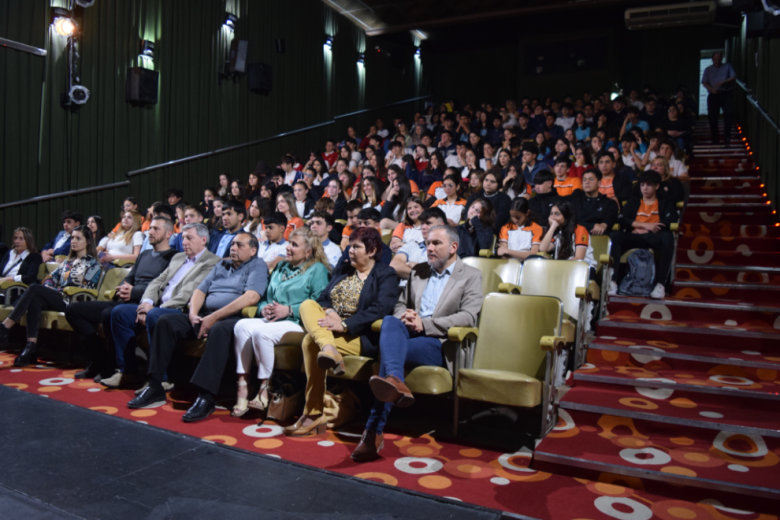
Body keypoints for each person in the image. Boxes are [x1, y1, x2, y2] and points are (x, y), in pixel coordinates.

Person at [352, 225, 483, 461]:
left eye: (436, 244)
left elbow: (468, 317)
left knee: (390, 354)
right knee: (391, 321)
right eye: (427, 244)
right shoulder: (418, 271)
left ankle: (373, 431)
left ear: (454, 247)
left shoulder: (471, 275)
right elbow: (401, 303)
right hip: (409, 333)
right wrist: (406, 315)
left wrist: (425, 324)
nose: (429, 248)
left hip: (440, 342)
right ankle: (394, 380)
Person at [128, 233, 266, 419]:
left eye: (239, 245)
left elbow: (252, 297)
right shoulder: (221, 264)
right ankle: (154, 385)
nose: (233, 248)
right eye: (232, 244)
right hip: (205, 316)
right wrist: (193, 315)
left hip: (233, 319)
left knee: (218, 329)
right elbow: (200, 290)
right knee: (166, 322)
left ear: (253, 250)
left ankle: (206, 397)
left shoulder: (257, 265)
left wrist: (213, 318)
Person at [285, 227, 398, 437]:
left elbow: (382, 308)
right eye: (350, 246)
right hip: (331, 330)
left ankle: (313, 413)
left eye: (356, 247)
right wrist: (330, 313)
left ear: (372, 250)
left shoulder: (385, 274)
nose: (350, 251)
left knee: (310, 341)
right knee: (308, 304)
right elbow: (323, 298)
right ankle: (329, 349)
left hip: (361, 336)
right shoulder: (344, 270)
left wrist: (345, 324)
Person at [101, 223, 220, 389]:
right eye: (183, 238)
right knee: (119, 312)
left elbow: (189, 291)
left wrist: (154, 310)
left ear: (203, 240)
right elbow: (157, 282)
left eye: (189, 238)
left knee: (155, 316)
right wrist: (146, 303)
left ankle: (158, 379)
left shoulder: (212, 261)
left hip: (179, 311)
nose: (184, 242)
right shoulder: (178, 257)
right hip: (155, 307)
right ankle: (127, 371)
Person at [231, 228, 331, 417]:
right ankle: (243, 385)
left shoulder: (317, 269)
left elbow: (320, 303)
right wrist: (264, 309)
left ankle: (264, 389)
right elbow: (265, 298)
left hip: (299, 322)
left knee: (262, 333)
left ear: (308, 251)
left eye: (294, 245)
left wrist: (290, 309)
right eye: (288, 243)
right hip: (274, 319)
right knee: (241, 326)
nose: (288, 248)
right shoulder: (280, 267)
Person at [64, 216, 177, 380]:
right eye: (150, 228)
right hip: (127, 299)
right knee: (73, 311)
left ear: (168, 234)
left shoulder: (173, 257)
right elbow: (130, 277)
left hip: (147, 304)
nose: (150, 232)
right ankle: (99, 359)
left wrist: (135, 292)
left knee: (109, 313)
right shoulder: (144, 254)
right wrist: (125, 287)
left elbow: (164, 287)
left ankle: (116, 365)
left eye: (155, 229)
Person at [2, 226, 101, 366]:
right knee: (35, 299)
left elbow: (86, 288)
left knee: (34, 288)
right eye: (72, 237)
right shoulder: (67, 262)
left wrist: (59, 289)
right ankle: (31, 349)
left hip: (72, 302)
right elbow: (50, 277)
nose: (74, 241)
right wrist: (49, 287)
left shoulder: (93, 264)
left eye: (78, 238)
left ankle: (5, 327)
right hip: (57, 296)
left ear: (88, 241)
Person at [609, 170, 678, 299]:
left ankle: (660, 285)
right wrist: (644, 225)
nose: (645, 188)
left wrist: (647, 230)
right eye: (642, 185)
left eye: (649, 185)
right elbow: (621, 218)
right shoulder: (634, 201)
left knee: (668, 237)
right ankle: (613, 282)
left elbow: (670, 220)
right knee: (614, 236)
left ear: (657, 186)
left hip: (654, 237)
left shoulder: (664, 202)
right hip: (635, 235)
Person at [540, 201, 598, 279]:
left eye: (557, 214)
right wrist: (552, 227)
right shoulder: (558, 232)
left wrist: (555, 264)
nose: (552, 217)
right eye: (551, 214)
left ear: (566, 216)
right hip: (564, 267)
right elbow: (543, 249)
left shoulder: (580, 230)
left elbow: (579, 258)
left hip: (584, 269)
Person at [390, 208, 447, 281]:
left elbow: (441, 274)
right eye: (422, 223)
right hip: (405, 291)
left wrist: (415, 267)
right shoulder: (411, 245)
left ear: (441, 225)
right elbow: (394, 266)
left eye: (428, 223)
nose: (423, 227)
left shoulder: (447, 248)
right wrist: (423, 272)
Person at [333, 208, 393, 273]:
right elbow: (336, 272)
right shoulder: (350, 248)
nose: (362, 226)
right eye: (360, 223)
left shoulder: (384, 251)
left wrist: (350, 267)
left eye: (366, 223)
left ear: (377, 225)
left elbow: (379, 275)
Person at [564, 168, 619, 236]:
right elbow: (571, 222)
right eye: (584, 180)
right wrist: (592, 226)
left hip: (601, 235)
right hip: (577, 235)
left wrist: (604, 225)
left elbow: (611, 218)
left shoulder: (609, 203)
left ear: (599, 183)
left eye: (591, 179)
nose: (587, 182)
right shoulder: (575, 202)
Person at [701, 51, 736, 145]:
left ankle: (727, 138)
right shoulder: (708, 69)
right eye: (715, 59)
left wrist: (723, 82)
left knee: (728, 116)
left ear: (721, 59)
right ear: (712, 59)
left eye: (719, 59)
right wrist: (711, 89)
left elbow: (733, 77)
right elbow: (704, 82)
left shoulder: (727, 66)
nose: (717, 61)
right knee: (713, 118)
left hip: (726, 94)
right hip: (713, 95)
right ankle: (715, 139)